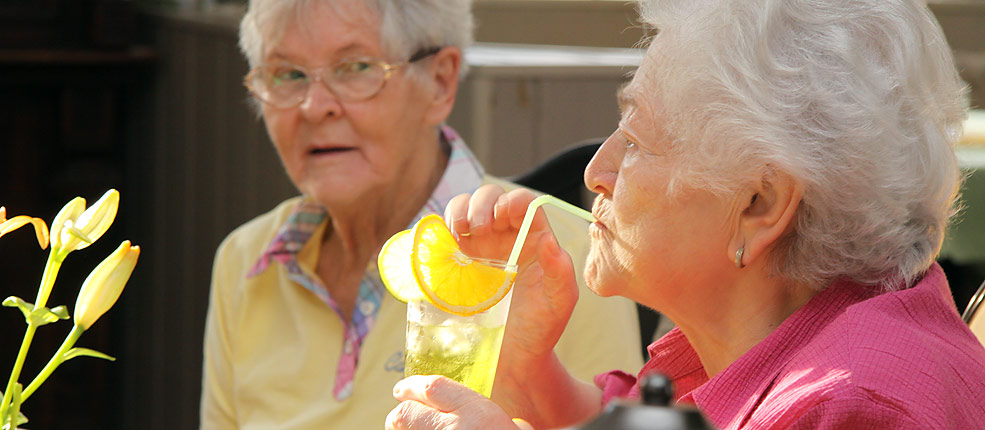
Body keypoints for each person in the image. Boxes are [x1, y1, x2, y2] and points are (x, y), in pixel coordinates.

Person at [385, 0, 985, 429]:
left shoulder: (854, 406)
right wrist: (529, 374)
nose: (596, 170)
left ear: (759, 205)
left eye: (639, 141)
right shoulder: (761, 343)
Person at [198, 0, 642, 428]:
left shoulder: (563, 257)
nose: (314, 106)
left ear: (440, 82)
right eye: (288, 74)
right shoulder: (245, 259)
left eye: (355, 68)